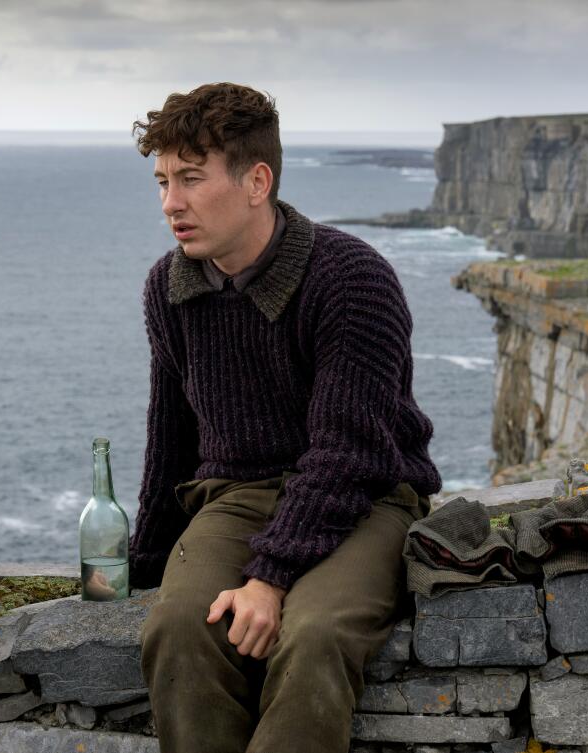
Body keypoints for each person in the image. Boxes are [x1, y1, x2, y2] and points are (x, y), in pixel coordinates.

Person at [129, 82, 441, 753]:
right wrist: (144, 567)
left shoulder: (351, 278)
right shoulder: (168, 286)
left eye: (189, 178)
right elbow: (171, 437)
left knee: (314, 634)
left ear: (256, 181)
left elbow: (346, 452)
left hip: (365, 497)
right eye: (161, 182)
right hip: (235, 496)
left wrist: (268, 578)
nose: (170, 204)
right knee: (179, 626)